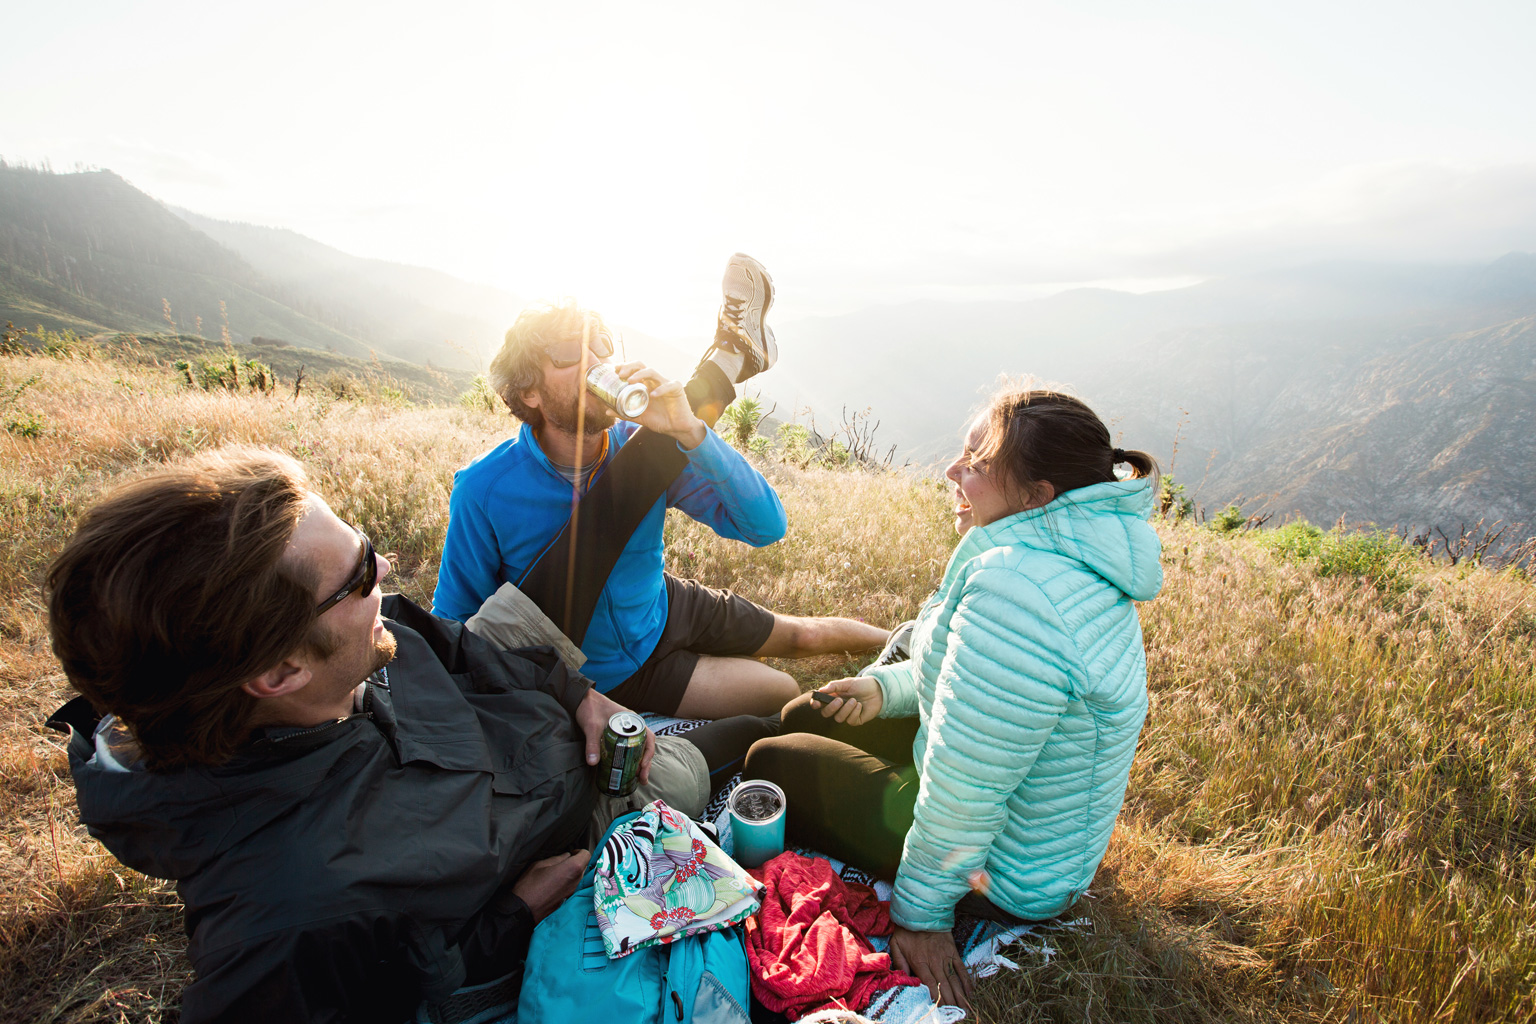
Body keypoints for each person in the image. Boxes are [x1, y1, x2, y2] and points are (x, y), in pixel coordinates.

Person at [45, 445, 776, 1024]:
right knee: (730, 750)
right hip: (572, 803)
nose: (386, 569)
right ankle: (743, 736)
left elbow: (448, 640)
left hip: (508, 708)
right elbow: (387, 995)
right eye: (360, 572)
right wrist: (514, 918)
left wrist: (577, 690)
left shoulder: (331, 656)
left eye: (365, 547)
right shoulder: (288, 907)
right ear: (279, 671)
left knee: (621, 488)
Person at [744, 388, 1164, 1011]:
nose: (951, 471)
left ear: (1035, 496)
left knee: (770, 761)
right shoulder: (1063, 555)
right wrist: (883, 688)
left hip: (1008, 871)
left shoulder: (1018, 594)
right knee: (802, 715)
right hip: (1027, 817)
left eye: (976, 462)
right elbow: (963, 677)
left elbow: (968, 785)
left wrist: (923, 915)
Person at [433, 255, 889, 719]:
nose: (596, 363)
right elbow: (455, 625)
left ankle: (904, 640)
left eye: (601, 348)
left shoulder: (639, 445)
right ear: (529, 391)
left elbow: (766, 526)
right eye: (571, 353)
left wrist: (691, 431)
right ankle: (731, 355)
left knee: (802, 637)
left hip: (663, 604)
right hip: (617, 675)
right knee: (779, 689)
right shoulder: (484, 489)